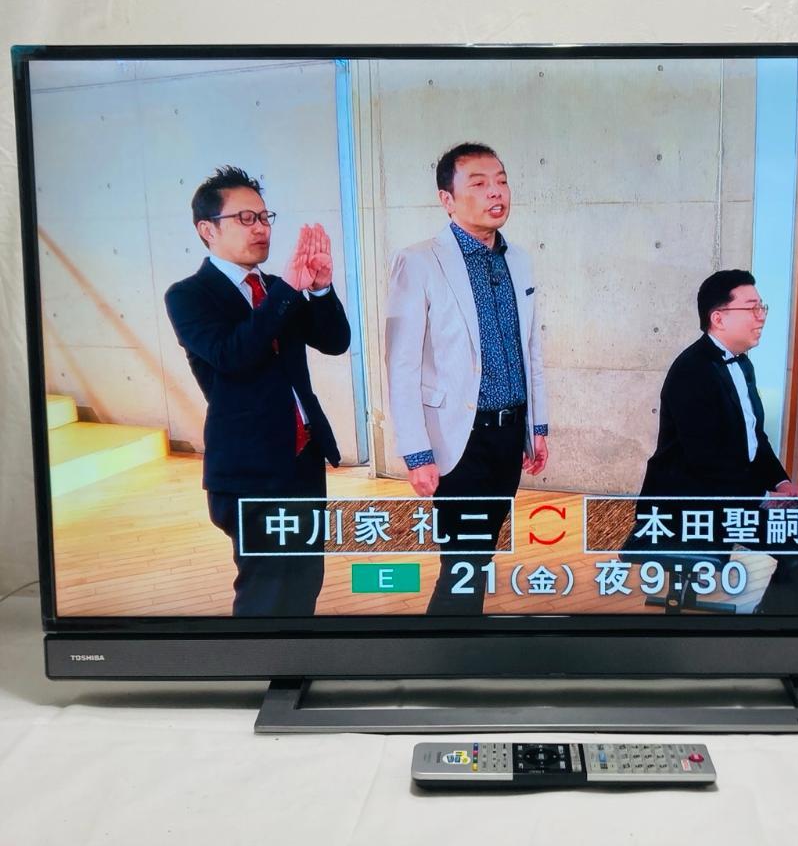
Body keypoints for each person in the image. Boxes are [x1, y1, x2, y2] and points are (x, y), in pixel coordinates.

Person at [165, 166, 351, 617]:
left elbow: (335, 341)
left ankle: (293, 658)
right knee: (265, 594)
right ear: (207, 229)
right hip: (249, 469)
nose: (262, 228)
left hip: (301, 461)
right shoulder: (189, 295)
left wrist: (321, 288)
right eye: (246, 218)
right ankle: (259, 661)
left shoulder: (274, 289)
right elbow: (233, 355)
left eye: (265, 217)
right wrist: (288, 289)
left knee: (303, 583)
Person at [385, 142, 549, 615]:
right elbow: (401, 364)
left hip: (508, 435)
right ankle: (447, 647)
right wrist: (417, 453)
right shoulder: (419, 261)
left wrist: (537, 426)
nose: (495, 192)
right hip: (457, 437)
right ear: (447, 199)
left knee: (478, 555)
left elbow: (531, 349)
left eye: (501, 181)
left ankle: (456, 641)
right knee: (463, 559)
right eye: (478, 184)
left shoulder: (520, 260)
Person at [637, 269, 798, 614]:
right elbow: (705, 464)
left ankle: (779, 614)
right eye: (751, 307)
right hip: (691, 503)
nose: (761, 316)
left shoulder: (742, 364)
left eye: (762, 307)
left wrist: (781, 483)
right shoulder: (692, 372)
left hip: (725, 490)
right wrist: (764, 499)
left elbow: (755, 438)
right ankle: (790, 621)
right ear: (719, 318)